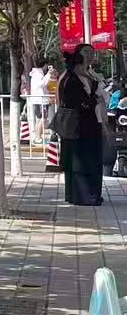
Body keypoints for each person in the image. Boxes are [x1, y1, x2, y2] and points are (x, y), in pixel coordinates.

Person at [59, 46, 105, 207]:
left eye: (92, 52)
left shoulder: (91, 75)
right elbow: (74, 102)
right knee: (81, 161)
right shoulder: (70, 78)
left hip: (93, 124)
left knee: (94, 159)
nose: (91, 55)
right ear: (78, 56)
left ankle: (94, 193)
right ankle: (83, 196)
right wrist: (93, 100)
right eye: (86, 53)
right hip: (78, 126)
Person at [28, 60, 52, 144]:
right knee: (43, 119)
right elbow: (42, 84)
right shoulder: (38, 74)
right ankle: (38, 138)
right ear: (44, 65)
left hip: (37, 99)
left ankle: (38, 137)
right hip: (41, 100)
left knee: (39, 119)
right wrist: (48, 74)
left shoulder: (35, 73)